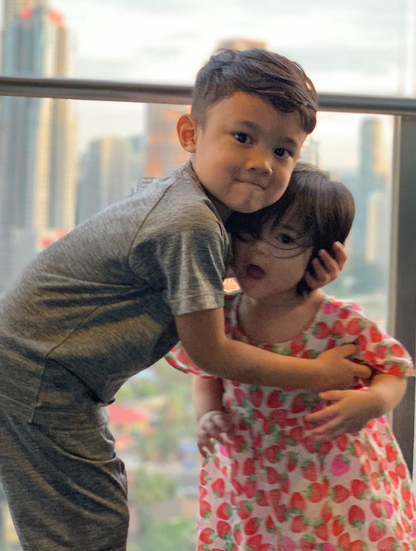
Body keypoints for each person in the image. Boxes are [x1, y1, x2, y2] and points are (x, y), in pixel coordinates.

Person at [0, 49, 369, 551]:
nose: (262, 163)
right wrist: (319, 374)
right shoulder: (191, 223)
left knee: (91, 518)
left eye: (284, 151)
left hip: (49, 372)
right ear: (190, 134)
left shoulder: (193, 201)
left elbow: (223, 275)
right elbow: (210, 352)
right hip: (40, 375)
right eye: (243, 137)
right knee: (83, 531)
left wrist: (301, 277)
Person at [167, 163, 416, 551]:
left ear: (323, 256)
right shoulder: (222, 316)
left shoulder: (338, 321)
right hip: (253, 484)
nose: (258, 249)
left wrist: (373, 402)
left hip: (337, 483)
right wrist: (208, 413)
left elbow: (393, 369)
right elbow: (208, 371)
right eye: (248, 232)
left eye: (284, 238)